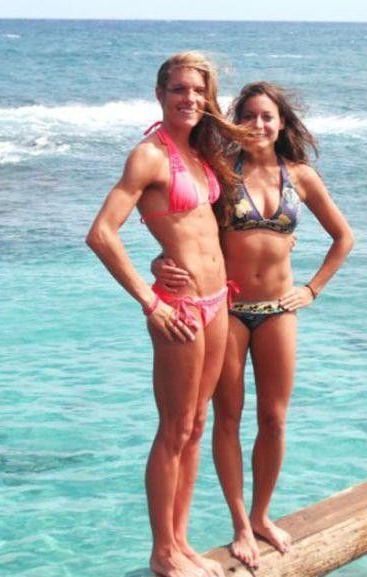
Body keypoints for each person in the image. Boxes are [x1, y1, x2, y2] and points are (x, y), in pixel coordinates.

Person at [153, 81, 355, 569]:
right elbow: (188, 231)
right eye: (248, 116)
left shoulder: (300, 176)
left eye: (267, 116)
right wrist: (161, 261)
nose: (258, 125)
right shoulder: (221, 173)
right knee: (227, 418)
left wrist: (311, 289)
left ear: (282, 123)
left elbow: (343, 237)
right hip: (229, 310)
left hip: (278, 310)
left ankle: (263, 515)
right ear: (235, 122)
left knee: (274, 419)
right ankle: (240, 524)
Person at [86, 52, 244, 577]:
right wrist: (150, 300)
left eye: (198, 90)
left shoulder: (200, 152)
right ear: (160, 93)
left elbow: (197, 228)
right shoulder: (149, 156)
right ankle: (162, 552)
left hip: (217, 300)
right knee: (174, 428)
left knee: (197, 425)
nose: (189, 99)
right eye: (179, 89)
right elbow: (101, 234)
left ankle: (181, 541)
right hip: (179, 308)